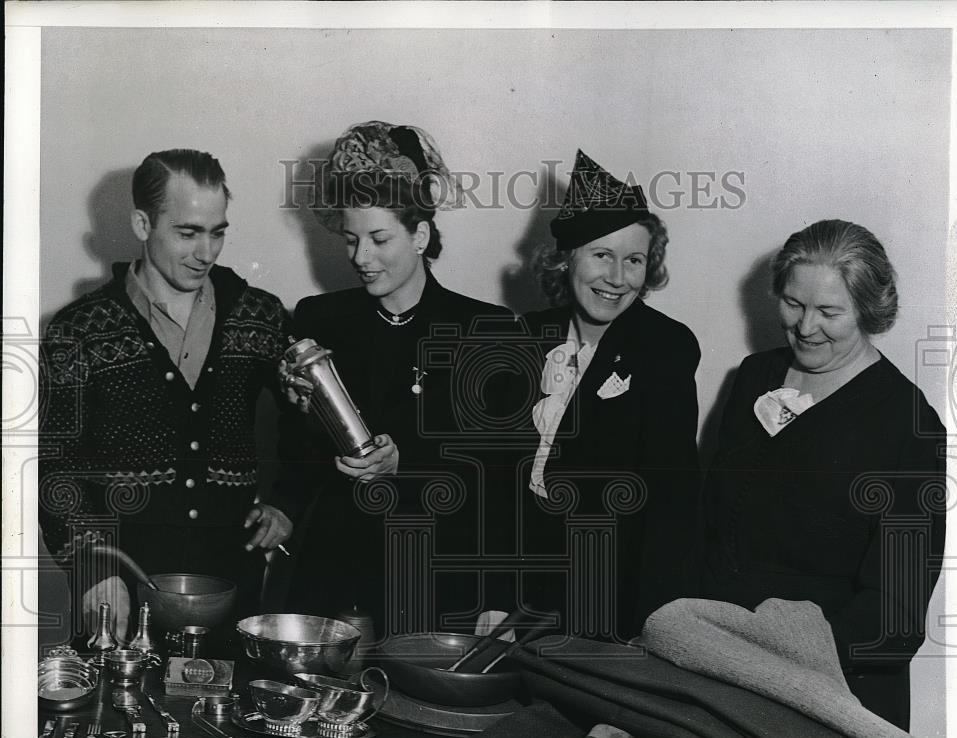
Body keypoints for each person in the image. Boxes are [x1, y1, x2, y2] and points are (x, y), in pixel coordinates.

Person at [697, 219, 946, 730]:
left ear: (868, 311)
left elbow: (894, 616)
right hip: (719, 656)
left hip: (833, 684)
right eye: (793, 303)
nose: (806, 327)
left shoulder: (909, 424)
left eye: (829, 311)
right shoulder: (753, 377)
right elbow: (710, 526)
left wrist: (775, 660)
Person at [273, 122, 519, 637]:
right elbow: (296, 455)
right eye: (351, 239)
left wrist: (498, 595)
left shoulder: (486, 331)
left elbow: (499, 481)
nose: (361, 258)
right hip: (332, 573)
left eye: (380, 239)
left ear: (421, 235)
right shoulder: (320, 320)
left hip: (435, 578)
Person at [39, 149, 294, 640]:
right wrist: (93, 567)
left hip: (234, 594)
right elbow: (54, 464)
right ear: (142, 223)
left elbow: (312, 422)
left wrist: (287, 503)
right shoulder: (78, 329)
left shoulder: (260, 316)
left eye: (217, 231)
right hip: (120, 588)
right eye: (187, 232)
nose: (207, 252)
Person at [518, 149, 702, 640]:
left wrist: (651, 630)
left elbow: (671, 503)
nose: (618, 278)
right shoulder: (524, 336)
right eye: (602, 254)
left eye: (634, 260)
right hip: (520, 587)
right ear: (565, 259)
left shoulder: (665, 346)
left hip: (608, 599)